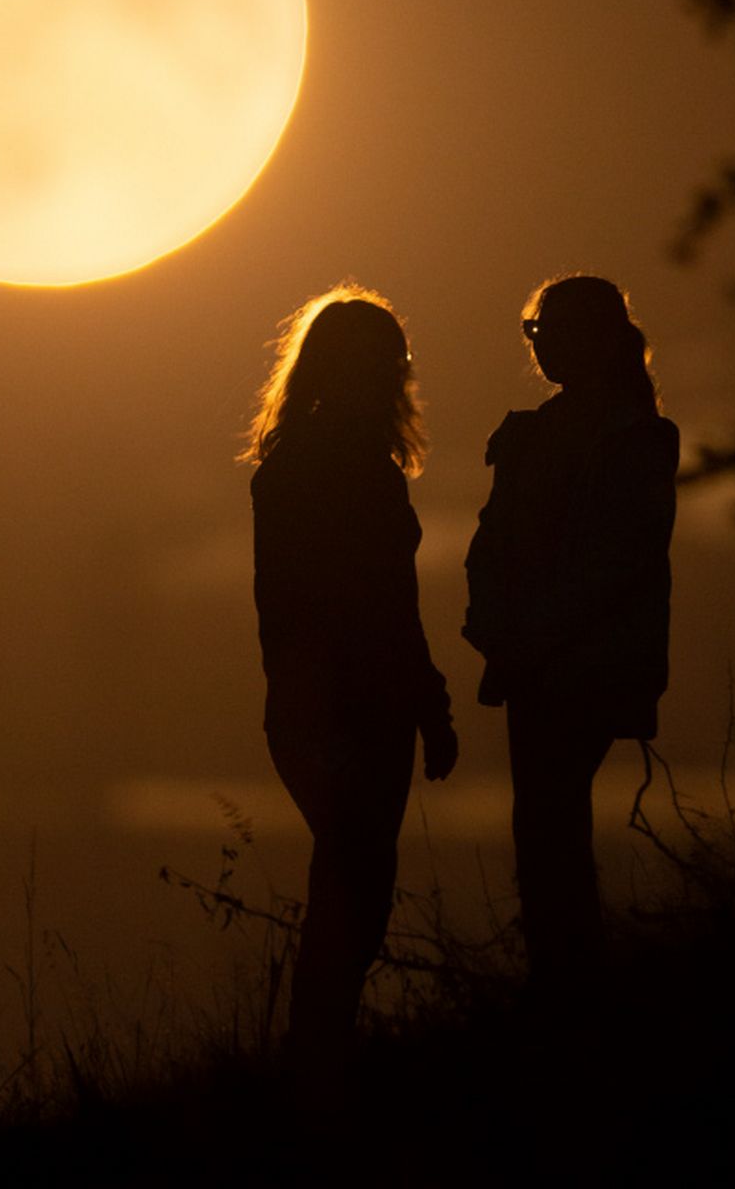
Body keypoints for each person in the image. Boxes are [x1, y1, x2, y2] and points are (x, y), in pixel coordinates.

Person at [243, 284, 458, 1077]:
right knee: (356, 879)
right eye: (392, 360)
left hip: (323, 702)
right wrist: (428, 706)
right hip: (351, 705)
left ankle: (318, 1053)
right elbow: (380, 605)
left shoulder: (297, 460)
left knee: (351, 873)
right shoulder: (348, 468)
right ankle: (317, 1060)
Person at [463, 275, 678, 992]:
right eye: (535, 330)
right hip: (536, 659)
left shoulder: (636, 438)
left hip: (576, 663)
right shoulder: (535, 434)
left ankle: (568, 986)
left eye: (551, 328)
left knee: (550, 827)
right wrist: (491, 619)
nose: (542, 342)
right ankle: (563, 979)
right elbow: (493, 540)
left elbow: (615, 563)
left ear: (594, 338)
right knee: (545, 827)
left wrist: (528, 634)